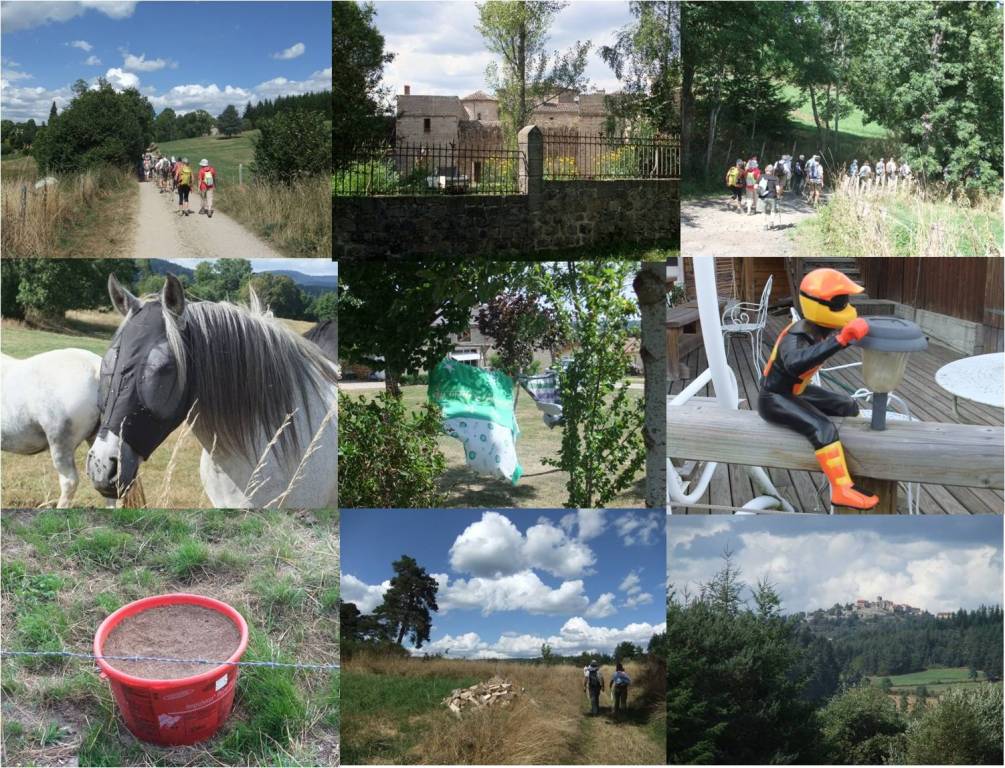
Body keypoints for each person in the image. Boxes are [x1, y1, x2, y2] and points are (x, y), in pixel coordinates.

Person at [758, 268, 877, 510]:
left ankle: (858, 450)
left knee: (847, 404)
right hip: (774, 397)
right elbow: (794, 363)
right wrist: (841, 340)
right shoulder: (798, 334)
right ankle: (841, 488)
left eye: (846, 301)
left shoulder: (820, 328)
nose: (848, 309)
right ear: (817, 305)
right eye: (840, 303)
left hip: (797, 391)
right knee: (822, 428)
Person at [759, 163, 782, 229]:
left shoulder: (761, 176)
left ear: (765, 170)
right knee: (773, 210)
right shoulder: (775, 178)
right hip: (772, 196)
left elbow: (755, 186)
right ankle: (771, 222)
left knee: (763, 211)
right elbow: (777, 189)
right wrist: (779, 195)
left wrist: (759, 191)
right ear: (773, 171)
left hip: (763, 197)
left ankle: (765, 224)